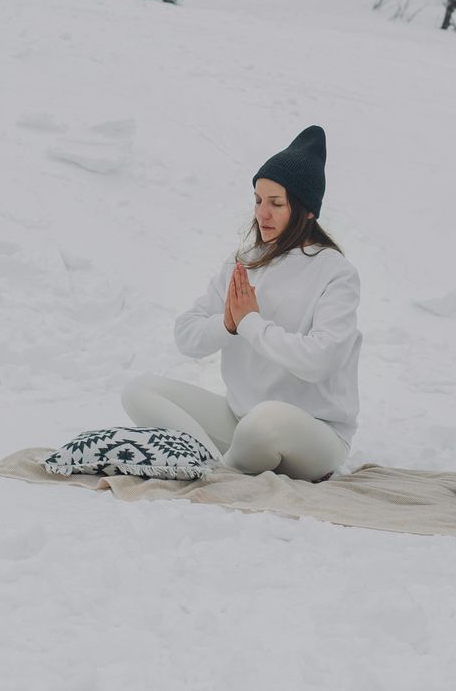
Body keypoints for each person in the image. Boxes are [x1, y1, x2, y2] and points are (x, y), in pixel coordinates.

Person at [121, 125, 360, 481]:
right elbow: (186, 336)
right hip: (241, 421)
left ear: (307, 210)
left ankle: (220, 472)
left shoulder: (335, 272)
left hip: (313, 434)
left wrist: (250, 323)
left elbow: (319, 361)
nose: (262, 213)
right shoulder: (244, 263)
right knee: (139, 390)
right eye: (258, 200)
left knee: (264, 422)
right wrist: (228, 324)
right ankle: (210, 468)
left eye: (276, 203)